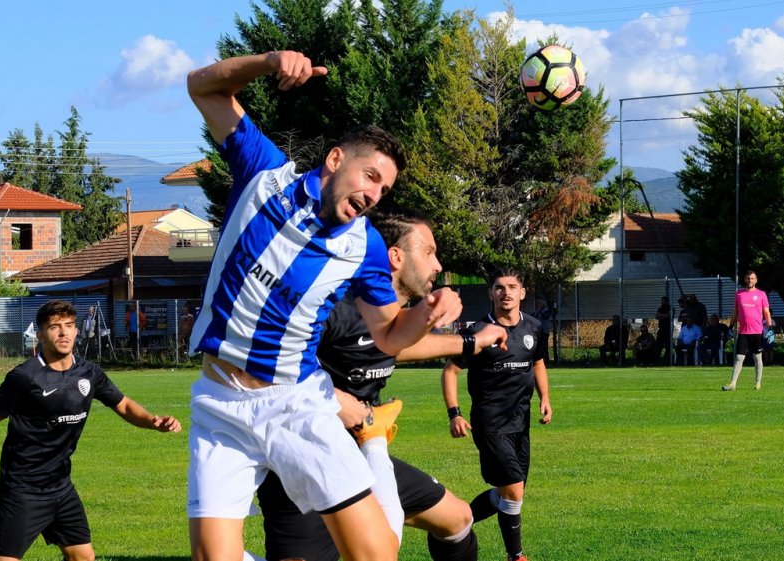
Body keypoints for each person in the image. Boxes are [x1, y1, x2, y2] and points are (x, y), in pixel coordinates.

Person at [185, 50, 462, 561]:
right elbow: (202, 87)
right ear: (336, 160)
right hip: (220, 402)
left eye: (385, 188)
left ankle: (373, 443)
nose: (375, 194)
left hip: (295, 402)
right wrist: (269, 62)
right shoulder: (263, 175)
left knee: (376, 555)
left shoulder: (366, 246)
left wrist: (426, 311)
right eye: (370, 176)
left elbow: (388, 336)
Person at [256, 213, 506, 561]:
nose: (438, 265)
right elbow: (271, 361)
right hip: (303, 459)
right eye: (429, 252)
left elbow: (397, 346)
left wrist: (471, 343)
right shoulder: (337, 305)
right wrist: (335, 400)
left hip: (361, 451)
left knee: (458, 518)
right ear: (395, 256)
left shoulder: (389, 321)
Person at [0, 299, 181, 561]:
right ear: (41, 335)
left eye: (69, 325)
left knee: (83, 556)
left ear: (77, 331)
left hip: (61, 486)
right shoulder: (25, 376)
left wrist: (152, 420)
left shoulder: (88, 373)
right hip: (23, 489)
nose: (64, 332)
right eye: (55, 327)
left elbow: (122, 404)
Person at [441, 268, 553, 561]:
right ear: (491, 293)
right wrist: (455, 413)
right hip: (490, 423)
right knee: (513, 491)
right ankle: (516, 556)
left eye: (512, 287)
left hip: (521, 421)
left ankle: (455, 521)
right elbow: (450, 371)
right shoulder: (477, 332)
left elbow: (538, 362)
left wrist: (545, 398)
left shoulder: (535, 327)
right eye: (500, 287)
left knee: (510, 493)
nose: (506, 292)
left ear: (522, 293)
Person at [722, 270, 773, 391]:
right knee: (739, 358)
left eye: (752, 278)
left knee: (757, 358)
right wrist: (730, 326)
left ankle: (758, 383)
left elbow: (766, 312)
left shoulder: (761, 294)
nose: (750, 280)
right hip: (743, 332)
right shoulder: (739, 294)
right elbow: (735, 312)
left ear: (756, 280)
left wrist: (770, 328)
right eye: (748, 278)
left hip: (757, 332)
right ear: (745, 279)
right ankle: (733, 384)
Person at [655, 296, 672, 365]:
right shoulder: (660, 308)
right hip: (661, 329)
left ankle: (667, 360)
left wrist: (661, 316)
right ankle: (656, 360)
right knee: (658, 345)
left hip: (668, 330)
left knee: (668, 346)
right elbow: (656, 316)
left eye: (663, 301)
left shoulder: (670, 308)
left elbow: (668, 316)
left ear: (667, 301)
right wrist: (663, 316)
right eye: (662, 301)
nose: (662, 302)